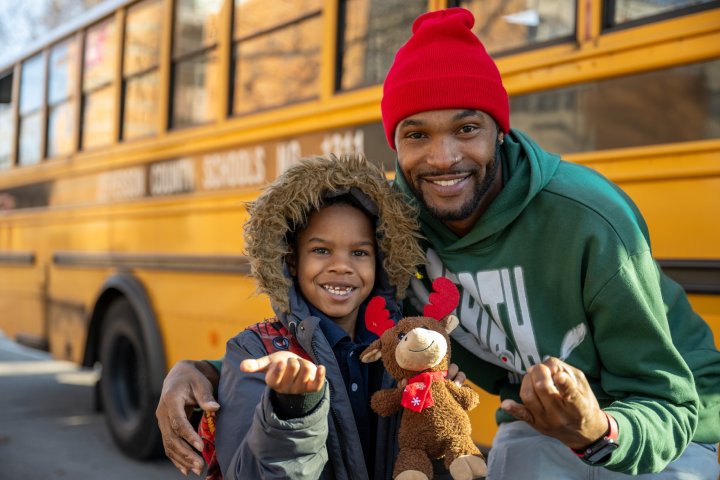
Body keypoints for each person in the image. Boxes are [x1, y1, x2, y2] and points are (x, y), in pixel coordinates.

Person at [156, 7, 720, 479]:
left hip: (675, 431)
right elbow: (356, 338)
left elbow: (668, 398)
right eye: (417, 135)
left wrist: (598, 431)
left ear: (499, 129)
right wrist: (208, 371)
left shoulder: (592, 219)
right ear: (394, 146)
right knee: (518, 451)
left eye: (467, 128)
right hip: (538, 429)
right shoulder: (396, 227)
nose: (444, 157)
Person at [211, 153, 435, 479]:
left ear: (382, 263)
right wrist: (292, 409)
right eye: (321, 250)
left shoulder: (405, 347)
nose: (341, 266)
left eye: (359, 253)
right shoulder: (256, 350)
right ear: (290, 262)